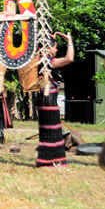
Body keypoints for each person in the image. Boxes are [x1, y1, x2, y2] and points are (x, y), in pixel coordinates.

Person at [34, 32, 73, 168]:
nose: (56, 50)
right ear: (48, 48)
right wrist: (69, 41)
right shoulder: (47, 62)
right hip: (48, 101)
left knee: (49, 130)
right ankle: (51, 160)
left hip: (44, 100)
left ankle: (49, 159)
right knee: (53, 130)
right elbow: (69, 58)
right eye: (55, 47)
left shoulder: (38, 60)